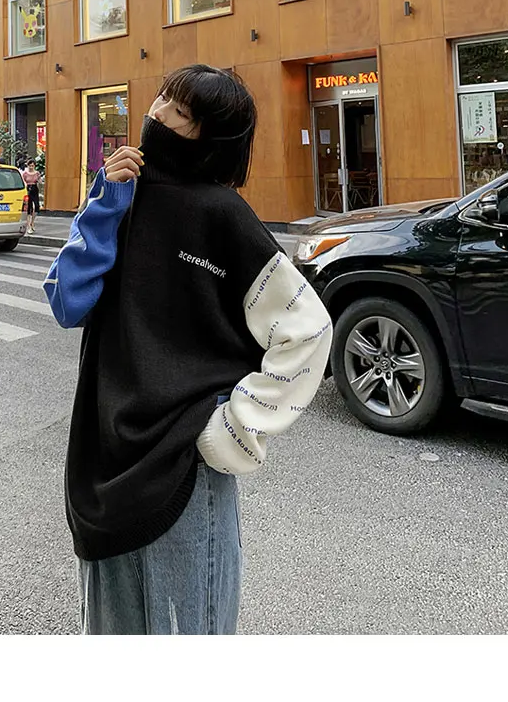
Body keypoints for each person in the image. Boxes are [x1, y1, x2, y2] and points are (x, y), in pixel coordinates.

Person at [43, 64, 332, 635]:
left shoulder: (220, 214)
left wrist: (233, 427)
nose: (158, 115)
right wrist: (104, 204)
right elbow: (67, 303)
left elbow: (307, 329)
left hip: (185, 470)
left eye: (182, 113)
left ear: (210, 137)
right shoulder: (120, 196)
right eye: (163, 99)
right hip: (101, 463)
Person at [22, 159, 41, 234]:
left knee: (36, 206)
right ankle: (29, 226)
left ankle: (32, 222)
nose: (31, 167)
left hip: (34, 189)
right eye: (30, 166)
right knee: (29, 207)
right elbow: (23, 181)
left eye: (32, 166)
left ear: (34, 166)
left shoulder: (37, 173)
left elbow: (40, 181)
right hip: (28, 189)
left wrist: (39, 181)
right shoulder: (25, 174)